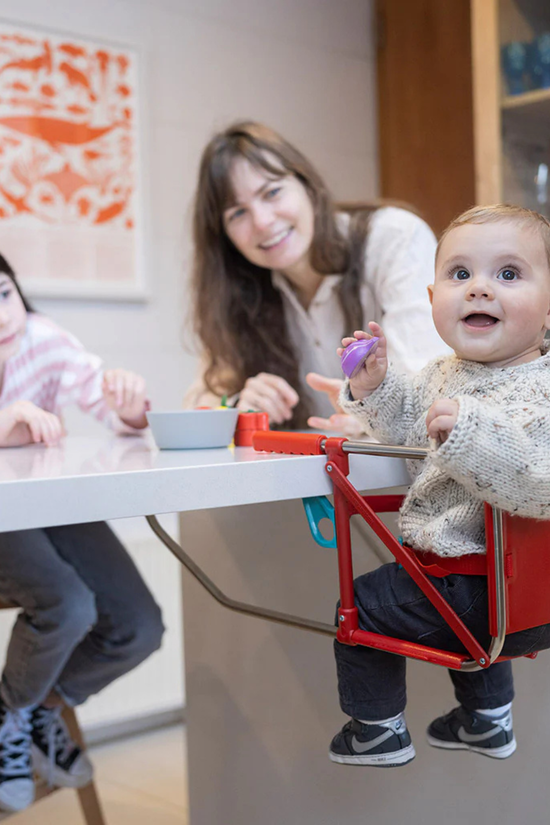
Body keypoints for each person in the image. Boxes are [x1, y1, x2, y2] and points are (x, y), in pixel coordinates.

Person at [329, 204, 550, 768]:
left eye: (508, 274)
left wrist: (471, 432)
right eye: (459, 274)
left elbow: (536, 484)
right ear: (432, 301)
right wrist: (375, 385)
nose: (478, 289)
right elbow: (407, 419)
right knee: (476, 623)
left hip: (486, 589)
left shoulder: (542, 392)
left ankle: (375, 731)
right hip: (494, 597)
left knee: (364, 605)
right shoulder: (441, 373)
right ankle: (486, 721)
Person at [0, 254, 164, 812]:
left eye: (4, 294)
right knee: (68, 606)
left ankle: (28, 710)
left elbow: (107, 402)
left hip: (47, 499)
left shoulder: (40, 338)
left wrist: (129, 407)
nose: (2, 315)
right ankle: (14, 717)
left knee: (140, 625)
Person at [185, 121, 449, 431]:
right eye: (237, 213)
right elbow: (199, 404)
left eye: (271, 192)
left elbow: (425, 382)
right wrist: (240, 405)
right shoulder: (239, 291)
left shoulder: (394, 238)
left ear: (308, 186)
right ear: (225, 236)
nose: (262, 222)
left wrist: (365, 413)